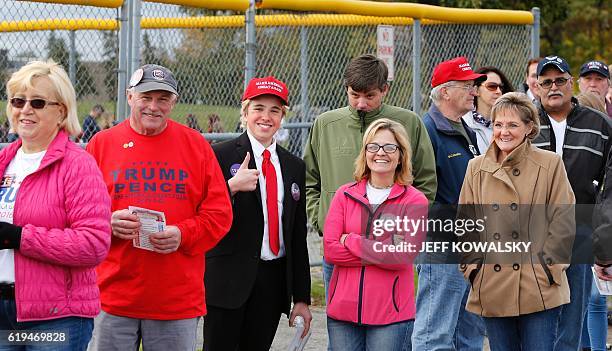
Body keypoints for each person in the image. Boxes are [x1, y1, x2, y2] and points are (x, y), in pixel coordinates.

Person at [86, 64, 233, 351]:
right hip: (112, 295)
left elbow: (220, 214)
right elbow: (79, 214)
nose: (153, 106)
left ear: (173, 103)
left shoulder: (196, 146)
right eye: (145, 97)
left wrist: (183, 234)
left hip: (175, 299)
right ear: (130, 97)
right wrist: (108, 222)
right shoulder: (101, 144)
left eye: (162, 99)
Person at [303, 55, 437, 349]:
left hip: (385, 248)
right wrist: (321, 221)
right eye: (354, 95)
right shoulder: (326, 124)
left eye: (370, 96)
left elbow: (426, 181)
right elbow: (310, 180)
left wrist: (402, 226)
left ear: (385, 89)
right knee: (343, 332)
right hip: (339, 250)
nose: (361, 103)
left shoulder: (409, 123)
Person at [0, 60, 111, 349]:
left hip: (56, 316)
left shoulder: (77, 165)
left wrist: (19, 237)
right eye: (18, 100)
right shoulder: (3, 161)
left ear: (61, 111)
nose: (25, 109)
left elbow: (94, 243)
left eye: (37, 102)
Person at [458, 92, 575, 350]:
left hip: (539, 284)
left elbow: (563, 219)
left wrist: (550, 268)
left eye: (512, 125)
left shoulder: (550, 163)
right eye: (498, 124)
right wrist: (474, 271)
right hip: (492, 284)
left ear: (529, 128)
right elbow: (466, 226)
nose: (504, 132)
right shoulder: (476, 168)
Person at [203, 76, 311, 350]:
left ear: (282, 116)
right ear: (245, 112)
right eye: (259, 108)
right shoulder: (220, 155)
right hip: (227, 280)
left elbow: (297, 235)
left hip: (271, 282)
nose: (266, 116)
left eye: (274, 110)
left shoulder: (293, 165)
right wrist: (230, 188)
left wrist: (301, 297)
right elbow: (200, 211)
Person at [324, 118, 428, 351]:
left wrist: (351, 240)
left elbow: (403, 256)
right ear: (365, 152)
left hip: (390, 316)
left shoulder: (414, 201)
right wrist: (384, 250)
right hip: (343, 313)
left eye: (390, 147)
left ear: (401, 155)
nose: (380, 153)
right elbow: (331, 250)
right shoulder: (344, 194)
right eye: (373, 146)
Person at [531, 55, 612, 351]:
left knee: (573, 319)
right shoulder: (525, 122)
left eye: (561, 80)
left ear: (572, 84)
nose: (554, 87)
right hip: (533, 233)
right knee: (537, 317)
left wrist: (604, 244)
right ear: (537, 87)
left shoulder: (600, 125)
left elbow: (609, 191)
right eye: (547, 82)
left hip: (579, 232)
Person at [412, 56, 486, 350]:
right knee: (435, 333)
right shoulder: (427, 131)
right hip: (442, 245)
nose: (475, 91)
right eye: (467, 86)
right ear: (445, 91)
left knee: (468, 334)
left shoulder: (462, 128)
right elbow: (419, 193)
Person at [463, 66, 514, 152]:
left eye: (500, 87)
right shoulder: (465, 123)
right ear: (476, 90)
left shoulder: (510, 122)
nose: (498, 91)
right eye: (492, 86)